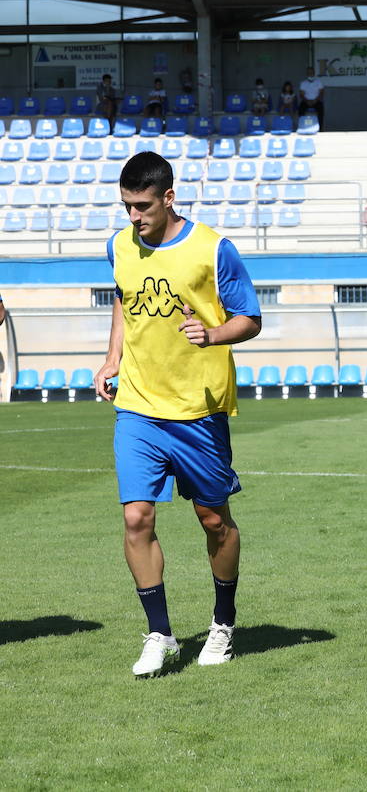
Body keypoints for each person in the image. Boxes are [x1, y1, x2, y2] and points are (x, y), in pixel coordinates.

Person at [94, 151, 262, 678]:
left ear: (168, 198)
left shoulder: (213, 249)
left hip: (198, 410)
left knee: (214, 520)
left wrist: (211, 334)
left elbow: (250, 318)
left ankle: (223, 623)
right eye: (126, 206)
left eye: (142, 206)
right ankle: (160, 634)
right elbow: (123, 298)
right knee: (136, 517)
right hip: (138, 406)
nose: (133, 216)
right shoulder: (119, 245)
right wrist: (112, 357)